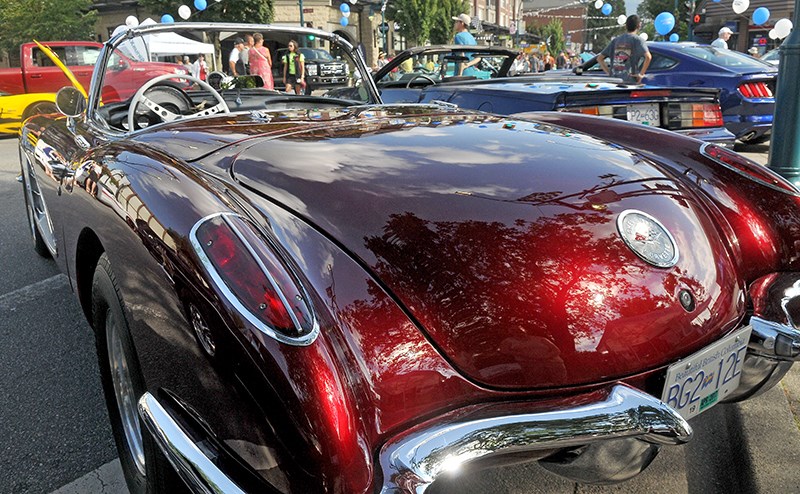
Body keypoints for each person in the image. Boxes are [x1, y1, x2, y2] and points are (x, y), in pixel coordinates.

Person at [596, 14, 652, 84]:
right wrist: (641, 74)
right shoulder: (638, 40)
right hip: (630, 81)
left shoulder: (616, 40)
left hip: (614, 81)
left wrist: (609, 73)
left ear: (626, 26)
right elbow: (648, 57)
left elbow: (599, 58)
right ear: (639, 26)